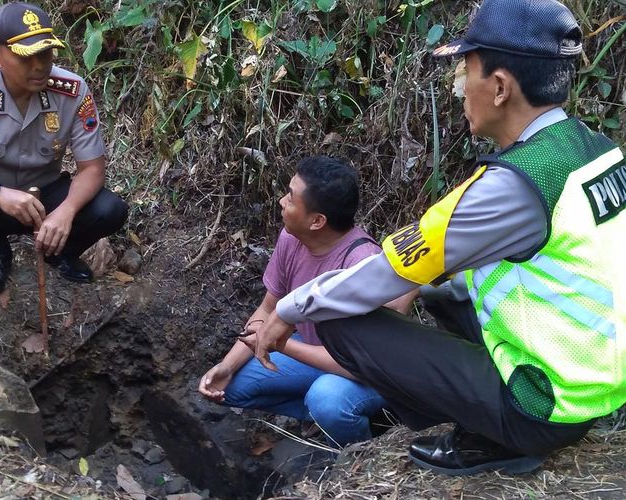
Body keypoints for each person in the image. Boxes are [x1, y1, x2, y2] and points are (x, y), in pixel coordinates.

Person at [253, 0, 625, 476]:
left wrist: (288, 309)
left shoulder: (515, 184)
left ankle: (492, 436)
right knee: (444, 294)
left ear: (499, 87)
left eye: (464, 71)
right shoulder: (594, 148)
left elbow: (389, 269)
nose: (458, 89)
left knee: (338, 319)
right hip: (593, 385)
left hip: (545, 405)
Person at [198, 156, 414, 447]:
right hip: (316, 354)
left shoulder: (361, 265)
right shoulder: (292, 239)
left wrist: (279, 343)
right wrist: (226, 366)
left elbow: (355, 364)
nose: (281, 201)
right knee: (230, 386)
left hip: (372, 373)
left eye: (290, 197)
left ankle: (359, 449)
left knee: (326, 399)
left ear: (317, 221)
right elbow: (267, 309)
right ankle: (329, 418)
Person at [0, 2, 128, 298]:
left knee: (110, 210)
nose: (40, 66)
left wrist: (65, 212)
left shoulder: (72, 90)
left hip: (45, 196)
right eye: (26, 57)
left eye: (45, 53)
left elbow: (92, 168)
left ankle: (59, 251)